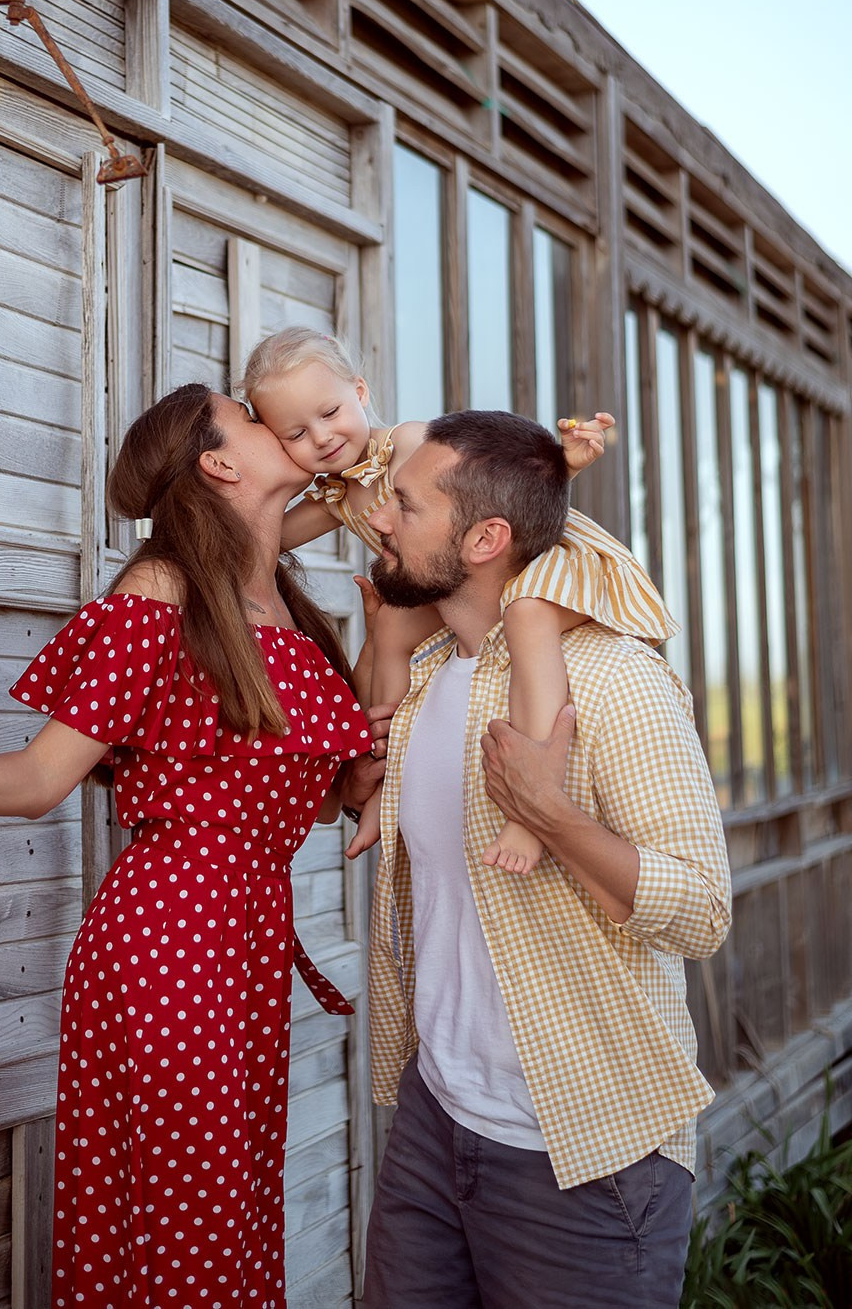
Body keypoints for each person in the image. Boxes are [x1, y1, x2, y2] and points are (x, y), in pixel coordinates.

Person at [0, 383, 384, 1309]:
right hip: (171, 936)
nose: (274, 419)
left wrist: (353, 783)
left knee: (231, 1213)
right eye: (251, 415)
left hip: (248, 938)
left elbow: (295, 797)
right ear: (219, 462)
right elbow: (40, 778)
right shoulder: (160, 591)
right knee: (189, 1223)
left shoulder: (276, 594)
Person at [359, 409, 733, 1309]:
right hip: (434, 1121)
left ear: (485, 540)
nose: (380, 520)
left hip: (588, 1155)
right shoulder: (428, 678)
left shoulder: (613, 680)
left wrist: (551, 818)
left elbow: (703, 910)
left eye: (406, 506)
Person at [238, 326, 671, 868]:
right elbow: (266, 537)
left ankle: (531, 806)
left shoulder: (409, 443)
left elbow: (489, 484)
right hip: (455, 579)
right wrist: (260, 479)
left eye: (330, 412)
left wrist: (566, 464)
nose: (322, 437)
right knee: (389, 629)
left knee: (526, 617)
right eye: (296, 434)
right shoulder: (335, 495)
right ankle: (381, 788)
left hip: (534, 560)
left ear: (360, 391)